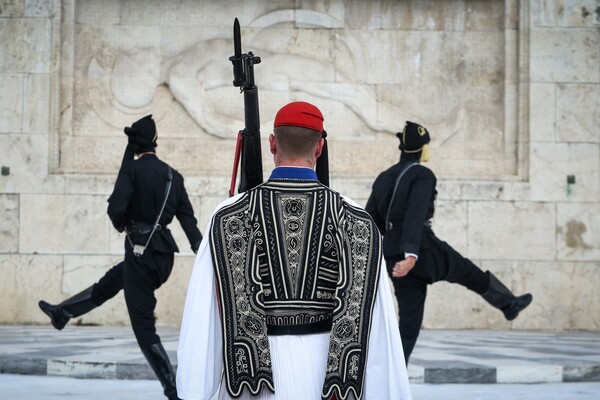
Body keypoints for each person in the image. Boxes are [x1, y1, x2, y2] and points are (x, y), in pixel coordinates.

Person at [176, 102, 412, 400]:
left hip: (253, 383)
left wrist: (195, 388)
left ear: (272, 143)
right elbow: (379, 325)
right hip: (332, 382)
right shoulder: (356, 220)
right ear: (320, 147)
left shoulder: (227, 216)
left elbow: (203, 312)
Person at [39, 115, 202, 400]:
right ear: (154, 142)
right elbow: (189, 223)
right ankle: (62, 313)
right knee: (111, 282)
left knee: (143, 327)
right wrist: (205, 256)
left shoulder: (132, 170)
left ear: (134, 144)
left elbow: (116, 208)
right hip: (163, 257)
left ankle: (174, 391)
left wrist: (123, 224)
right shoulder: (173, 176)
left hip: (140, 253)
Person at [365, 121, 533, 365]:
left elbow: (371, 219)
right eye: (426, 146)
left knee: (409, 322)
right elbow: (415, 212)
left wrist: (390, 248)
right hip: (420, 248)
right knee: (467, 271)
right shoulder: (422, 174)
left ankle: (394, 374)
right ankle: (508, 304)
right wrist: (410, 254)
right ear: (420, 149)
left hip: (392, 256)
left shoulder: (383, 177)